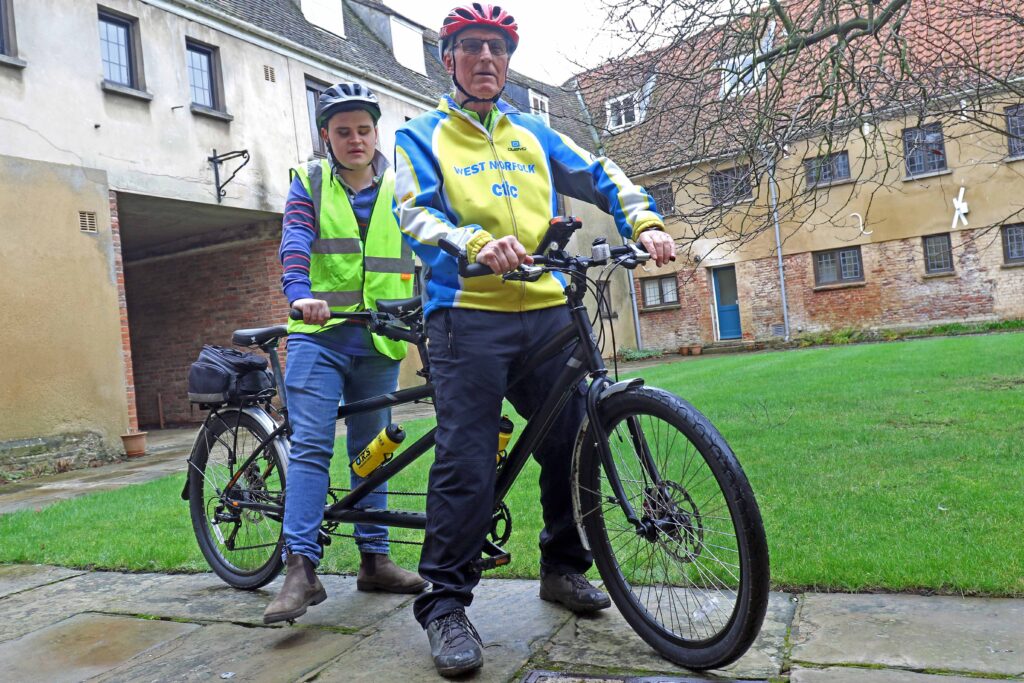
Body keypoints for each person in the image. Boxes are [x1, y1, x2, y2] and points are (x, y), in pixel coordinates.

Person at [393, 4, 676, 677]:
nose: (486, 58)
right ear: (449, 59)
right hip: (467, 314)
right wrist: (477, 242)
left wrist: (644, 221)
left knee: (570, 438)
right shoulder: (421, 135)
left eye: (496, 48)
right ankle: (445, 604)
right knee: (467, 454)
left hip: (548, 308)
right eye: (471, 47)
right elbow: (414, 212)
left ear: (508, 62)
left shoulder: (534, 134)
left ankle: (562, 565)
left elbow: (603, 171)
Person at [263, 82, 427, 626]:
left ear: (375, 132)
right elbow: (295, 244)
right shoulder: (308, 183)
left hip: (380, 339)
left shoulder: (402, 187)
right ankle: (299, 569)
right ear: (325, 136)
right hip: (319, 335)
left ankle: (374, 560)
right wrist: (297, 294)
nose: (354, 140)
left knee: (372, 453)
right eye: (342, 131)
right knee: (312, 446)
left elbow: (426, 248)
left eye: (363, 129)